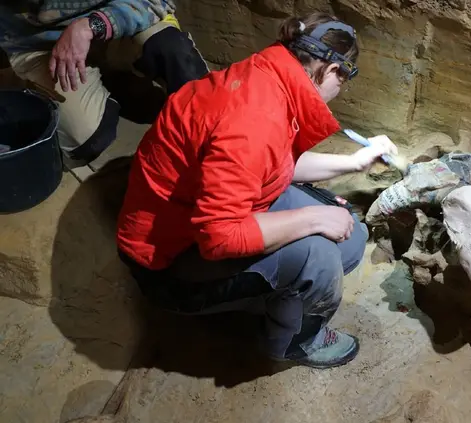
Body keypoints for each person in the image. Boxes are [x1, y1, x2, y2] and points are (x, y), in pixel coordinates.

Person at [116, 12, 399, 369]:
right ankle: (295, 340)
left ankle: (275, 294)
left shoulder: (267, 76)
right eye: (345, 78)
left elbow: (272, 162)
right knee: (320, 257)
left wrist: (354, 162)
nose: (342, 88)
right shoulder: (255, 117)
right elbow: (219, 236)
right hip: (170, 262)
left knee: (350, 237)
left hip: (197, 216)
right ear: (330, 69)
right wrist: (313, 217)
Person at [0, 1, 209, 167]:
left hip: (113, 20)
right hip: (38, 44)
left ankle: (212, 138)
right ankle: (112, 86)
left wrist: (91, 26)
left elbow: (157, 1)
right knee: (86, 140)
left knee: (174, 55)